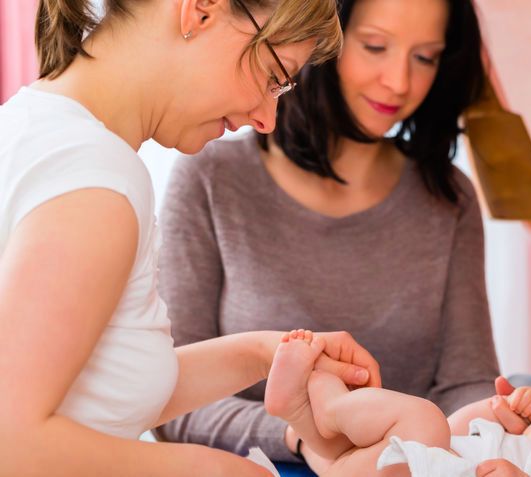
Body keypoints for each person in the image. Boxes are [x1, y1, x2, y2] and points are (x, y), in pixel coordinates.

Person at [0, 1, 382, 475]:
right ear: (200, 12)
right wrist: (225, 472)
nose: (267, 118)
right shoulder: (95, 184)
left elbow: (103, 395)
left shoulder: (36, 126)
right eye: (272, 76)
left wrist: (265, 354)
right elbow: (12, 443)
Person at [155, 0, 500, 464]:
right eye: (374, 46)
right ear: (316, 39)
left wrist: (491, 427)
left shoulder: (449, 195)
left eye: (425, 57)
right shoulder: (212, 177)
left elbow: (468, 383)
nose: (400, 82)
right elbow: (169, 400)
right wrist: (307, 439)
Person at [264, 331, 531, 477]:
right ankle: (299, 412)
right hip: (391, 467)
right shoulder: (520, 446)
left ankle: (328, 410)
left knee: (423, 420)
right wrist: (490, 410)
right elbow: (455, 433)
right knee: (421, 432)